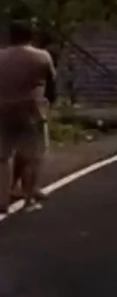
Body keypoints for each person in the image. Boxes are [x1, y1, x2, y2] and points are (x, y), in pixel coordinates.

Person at [0, 20, 57, 213]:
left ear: (10, 36)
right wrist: (49, 102)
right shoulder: (41, 56)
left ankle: (2, 199)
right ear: (31, 36)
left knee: (3, 156)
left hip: (3, 109)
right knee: (33, 155)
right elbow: (51, 84)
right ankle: (29, 198)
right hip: (31, 109)